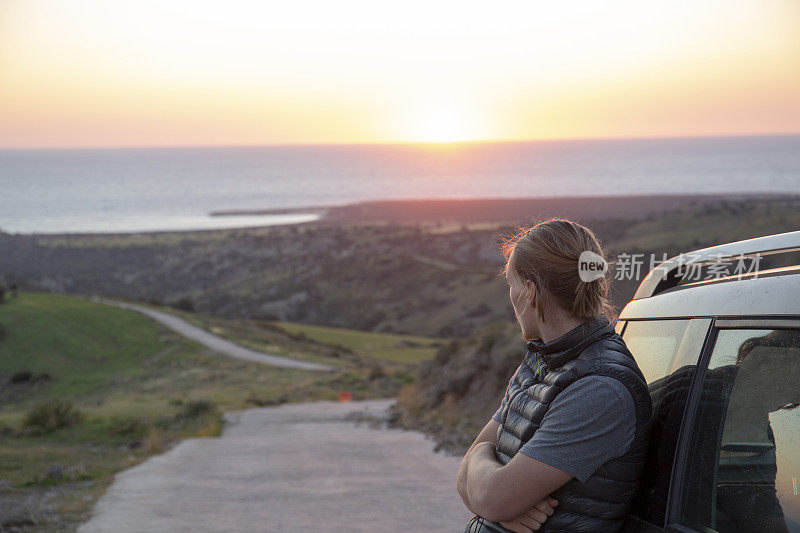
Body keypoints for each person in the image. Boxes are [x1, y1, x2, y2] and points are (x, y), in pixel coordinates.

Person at [456, 218, 652, 532]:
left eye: (511, 284)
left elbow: (491, 498)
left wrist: (480, 463)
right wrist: (491, 488)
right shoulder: (539, 360)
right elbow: (476, 487)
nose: (511, 296)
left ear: (530, 292)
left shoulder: (599, 389)